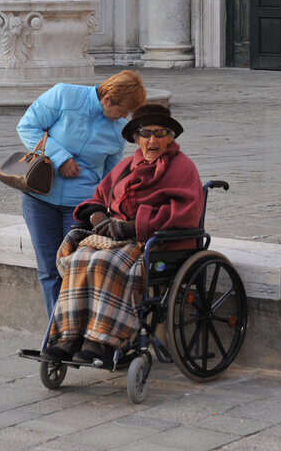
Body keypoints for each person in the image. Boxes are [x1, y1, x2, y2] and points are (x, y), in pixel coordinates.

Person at [41, 103, 203, 365]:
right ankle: (70, 337)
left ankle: (103, 342)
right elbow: (98, 196)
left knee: (106, 263)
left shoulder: (182, 168)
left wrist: (131, 227)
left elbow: (184, 213)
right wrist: (99, 217)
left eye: (160, 133)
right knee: (81, 257)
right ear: (136, 138)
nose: (152, 140)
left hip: (157, 242)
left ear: (170, 137)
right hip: (117, 238)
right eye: (146, 133)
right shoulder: (129, 165)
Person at [16, 70, 146, 319]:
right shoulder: (64, 95)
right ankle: (57, 331)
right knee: (48, 269)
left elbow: (111, 176)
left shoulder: (118, 130)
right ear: (108, 99)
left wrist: (115, 208)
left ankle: (75, 330)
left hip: (80, 205)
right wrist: (60, 157)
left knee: (75, 269)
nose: (125, 117)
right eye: (124, 110)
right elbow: (27, 126)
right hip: (39, 198)